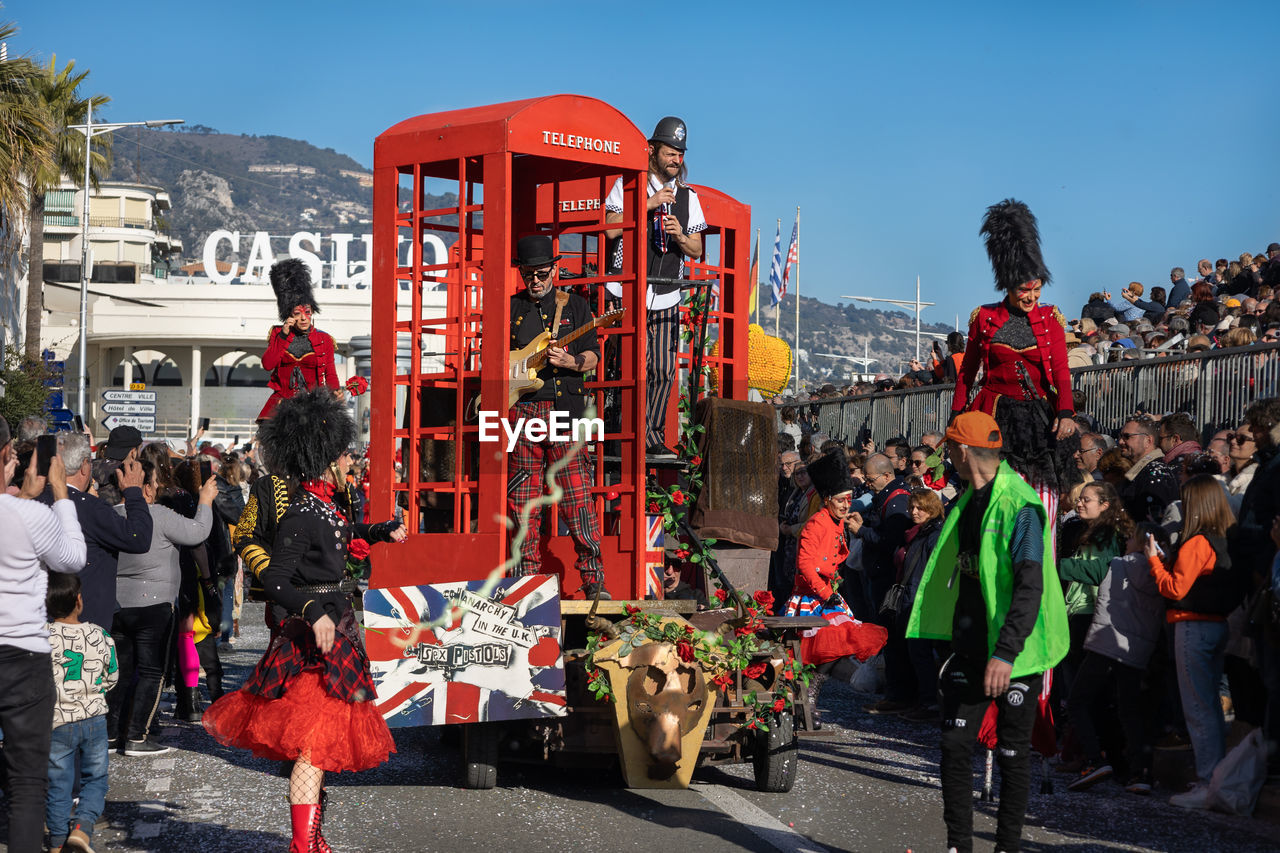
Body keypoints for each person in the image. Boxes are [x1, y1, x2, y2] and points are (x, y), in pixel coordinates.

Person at [203, 389, 397, 853]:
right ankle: (303, 842)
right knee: (310, 737)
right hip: (301, 617)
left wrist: (380, 531)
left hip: (332, 620)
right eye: (344, 452)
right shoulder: (279, 495)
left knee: (321, 738)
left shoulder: (333, 497)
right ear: (321, 453)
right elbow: (252, 542)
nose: (351, 460)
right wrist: (304, 607)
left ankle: (310, 836)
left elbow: (341, 532)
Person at [906, 412, 1068, 853]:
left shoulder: (1019, 504)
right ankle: (959, 844)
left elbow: (1029, 584)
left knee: (1013, 754)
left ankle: (1006, 847)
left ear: (961, 451)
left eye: (949, 453)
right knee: (955, 744)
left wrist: (1006, 653)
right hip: (971, 649)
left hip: (1015, 653)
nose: (947, 461)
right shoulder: (967, 499)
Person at [952, 199, 1078, 527]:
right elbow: (968, 371)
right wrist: (957, 411)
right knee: (995, 491)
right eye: (1025, 290)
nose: (1032, 297)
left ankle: (1042, 556)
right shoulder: (984, 317)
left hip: (1039, 416)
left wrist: (1065, 412)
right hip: (994, 413)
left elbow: (1062, 371)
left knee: (1045, 492)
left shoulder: (1052, 318)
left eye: (1037, 290)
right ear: (1008, 285)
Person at [0, 419, 87, 853]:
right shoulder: (27, 514)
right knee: (27, 784)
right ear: (4, 456)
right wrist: (58, 494)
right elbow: (73, 556)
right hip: (22, 657)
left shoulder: (20, 509)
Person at [506, 234, 608, 598]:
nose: (535, 281)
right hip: (524, 411)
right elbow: (496, 361)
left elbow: (594, 356)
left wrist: (571, 362)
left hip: (565, 410)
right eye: (528, 274)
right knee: (523, 503)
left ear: (555, 269)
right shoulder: (512, 309)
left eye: (542, 273)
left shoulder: (576, 306)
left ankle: (594, 582)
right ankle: (526, 585)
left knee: (578, 499)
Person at [602, 117, 707, 458]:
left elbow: (698, 249)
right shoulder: (628, 185)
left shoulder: (689, 198)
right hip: (625, 289)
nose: (676, 160)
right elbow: (609, 228)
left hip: (666, 293)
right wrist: (647, 204)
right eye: (670, 152)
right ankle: (617, 433)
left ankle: (651, 436)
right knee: (624, 366)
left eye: (680, 154)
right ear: (653, 151)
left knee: (662, 368)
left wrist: (680, 235)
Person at [1147, 475, 1245, 809]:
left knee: (1198, 709)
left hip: (1193, 627)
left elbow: (1174, 588)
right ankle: (1215, 778)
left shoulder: (1196, 542)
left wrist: (1153, 560)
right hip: (1217, 626)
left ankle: (1208, 781)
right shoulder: (1225, 538)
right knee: (1211, 709)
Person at [107, 459, 216, 754]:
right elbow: (198, 532)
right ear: (146, 488)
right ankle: (136, 736)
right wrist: (205, 500)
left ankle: (111, 734)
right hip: (155, 605)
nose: (157, 488)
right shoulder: (159, 515)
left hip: (118, 605)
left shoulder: (111, 515)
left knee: (121, 671)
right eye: (154, 483)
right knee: (151, 671)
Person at [1066, 522, 1170, 794]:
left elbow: (1082, 570)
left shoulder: (1118, 565)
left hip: (1107, 643)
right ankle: (1141, 773)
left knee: (1078, 700)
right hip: (1136, 650)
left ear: (1142, 541)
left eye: (1131, 538)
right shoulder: (1162, 572)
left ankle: (1093, 759)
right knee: (1130, 710)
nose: (1125, 541)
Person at [37, 431, 152, 631]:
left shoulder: (30, 503)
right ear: (84, 466)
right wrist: (133, 492)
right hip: (84, 630)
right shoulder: (89, 508)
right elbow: (138, 538)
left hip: (36, 625)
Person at [44, 572, 118, 853]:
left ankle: (57, 844)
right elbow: (112, 676)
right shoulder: (99, 634)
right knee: (95, 779)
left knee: (58, 784)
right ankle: (83, 827)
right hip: (94, 718)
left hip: (56, 720)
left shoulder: (41, 637)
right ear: (79, 600)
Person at [258, 258, 340, 421]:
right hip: (282, 404)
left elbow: (330, 373)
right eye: (297, 313)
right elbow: (268, 365)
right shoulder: (277, 333)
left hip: (313, 405)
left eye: (307, 312)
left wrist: (336, 392)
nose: (303, 318)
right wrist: (283, 335)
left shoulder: (325, 339)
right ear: (289, 315)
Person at [897, 488, 946, 722]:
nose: (914, 512)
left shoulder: (934, 533)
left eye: (919, 507)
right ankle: (924, 700)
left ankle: (929, 703)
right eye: (912, 507)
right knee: (917, 653)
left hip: (922, 600)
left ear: (931, 508)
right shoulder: (920, 531)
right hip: (913, 596)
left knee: (922, 653)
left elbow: (933, 570)